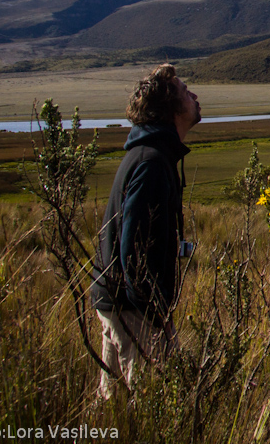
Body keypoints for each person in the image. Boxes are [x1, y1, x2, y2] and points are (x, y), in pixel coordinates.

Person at [91, 63, 200, 398]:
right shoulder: (152, 163)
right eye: (185, 91)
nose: (194, 95)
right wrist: (157, 317)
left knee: (116, 402)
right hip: (132, 309)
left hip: (120, 303)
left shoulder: (150, 155)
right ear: (171, 108)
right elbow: (134, 253)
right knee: (149, 401)